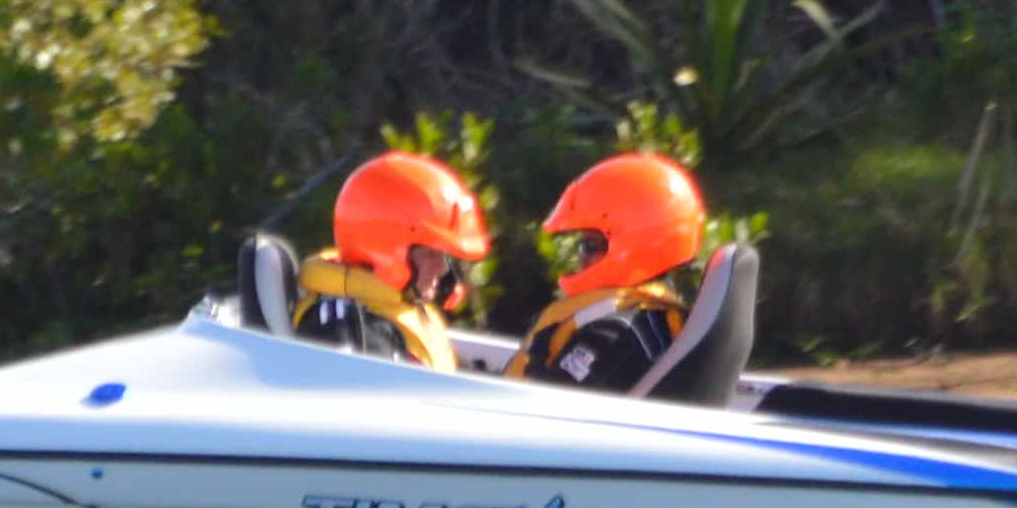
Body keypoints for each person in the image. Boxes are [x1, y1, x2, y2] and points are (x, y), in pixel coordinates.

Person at [517, 150, 713, 392]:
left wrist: (536, 363)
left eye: (590, 245)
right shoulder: (650, 321)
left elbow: (545, 414)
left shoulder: (613, 336)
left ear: (633, 244)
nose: (581, 258)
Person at [288, 150, 490, 366]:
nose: (441, 269)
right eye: (430, 254)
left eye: (443, 255)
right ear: (385, 250)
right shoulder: (345, 330)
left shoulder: (409, 307)